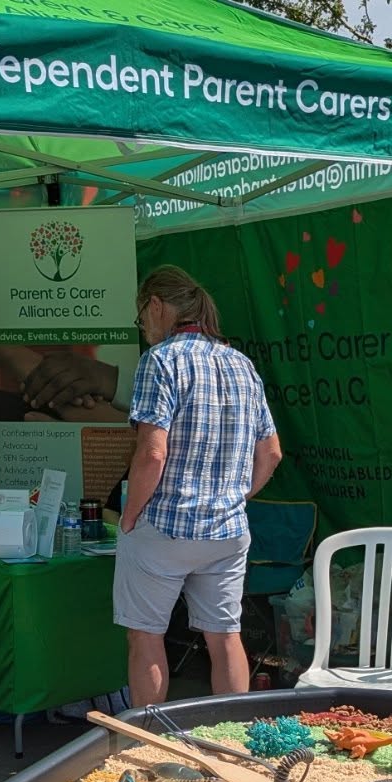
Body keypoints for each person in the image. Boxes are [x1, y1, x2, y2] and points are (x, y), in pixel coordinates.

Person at [114, 266, 283, 707]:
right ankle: (233, 744)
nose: (144, 328)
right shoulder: (241, 364)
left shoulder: (161, 361)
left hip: (165, 527)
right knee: (225, 638)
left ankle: (150, 743)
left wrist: (131, 513)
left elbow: (153, 453)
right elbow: (271, 454)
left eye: (142, 317)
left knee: (146, 639)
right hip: (226, 531)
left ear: (156, 306)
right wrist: (239, 496)